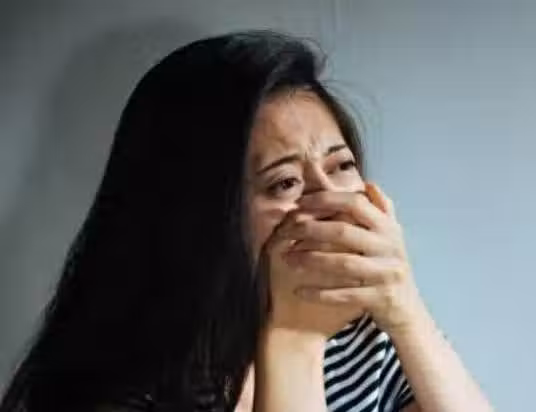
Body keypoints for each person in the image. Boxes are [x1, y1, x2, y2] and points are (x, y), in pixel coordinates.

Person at [0, 30, 494, 412]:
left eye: (342, 166)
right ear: (197, 217)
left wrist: (406, 312)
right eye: (284, 183)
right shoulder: (116, 389)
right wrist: (295, 341)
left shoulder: (359, 338)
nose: (330, 200)